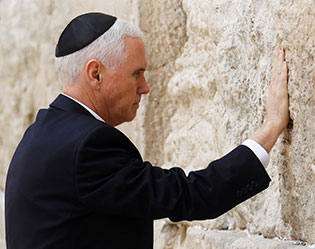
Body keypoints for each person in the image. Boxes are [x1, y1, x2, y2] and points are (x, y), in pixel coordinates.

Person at [5, 12, 289, 249]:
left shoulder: (39, 135)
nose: (145, 87)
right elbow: (190, 196)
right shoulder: (90, 146)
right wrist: (271, 127)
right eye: (136, 73)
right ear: (96, 74)